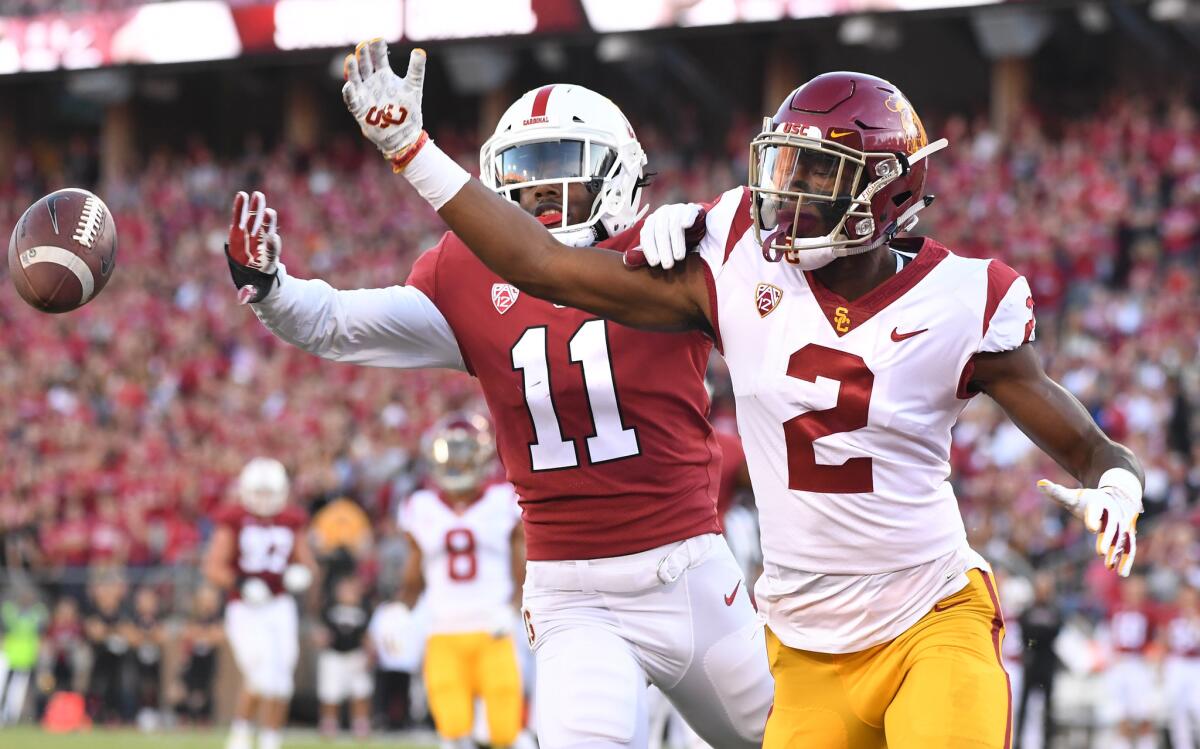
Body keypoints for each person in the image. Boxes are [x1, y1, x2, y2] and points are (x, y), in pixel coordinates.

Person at [343, 43, 1146, 748]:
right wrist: (413, 150)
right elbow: (543, 266)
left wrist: (1116, 480)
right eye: (783, 166)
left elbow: (1087, 444)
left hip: (928, 616)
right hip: (805, 650)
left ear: (888, 193)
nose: (787, 195)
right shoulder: (731, 258)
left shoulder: (965, 299)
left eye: (819, 174)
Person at [225, 78, 773, 748]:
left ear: (618, 172)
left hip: (684, 570)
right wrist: (272, 289)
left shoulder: (670, 251)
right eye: (524, 175)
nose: (539, 193)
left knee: (791, 739)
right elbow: (342, 323)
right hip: (575, 595)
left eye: (558, 171)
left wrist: (708, 228)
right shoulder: (466, 270)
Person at [396, 414, 524, 749]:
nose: (456, 464)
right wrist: (401, 611)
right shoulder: (420, 506)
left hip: (494, 627)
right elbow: (413, 572)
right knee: (452, 729)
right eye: (450, 456)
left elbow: (522, 563)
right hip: (443, 628)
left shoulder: (503, 500)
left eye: (463, 455)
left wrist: (515, 607)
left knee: (504, 731)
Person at [202, 457, 317, 749]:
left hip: (279, 605)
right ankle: (241, 735)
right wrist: (240, 582)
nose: (265, 500)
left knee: (281, 678)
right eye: (260, 492)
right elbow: (213, 566)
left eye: (270, 493)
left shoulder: (292, 520)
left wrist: (299, 574)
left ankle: (269, 739)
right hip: (245, 607)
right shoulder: (234, 518)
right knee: (260, 673)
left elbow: (310, 565)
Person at [315, 575, 373, 739]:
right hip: (334, 655)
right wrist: (321, 639)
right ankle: (329, 724)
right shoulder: (329, 607)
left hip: (356, 654)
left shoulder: (365, 608)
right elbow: (322, 630)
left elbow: (366, 634)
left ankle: (361, 725)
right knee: (330, 693)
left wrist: (370, 653)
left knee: (360, 692)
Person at [1105, 575, 1158, 749]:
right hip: (1120, 663)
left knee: (1144, 713)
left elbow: (1158, 637)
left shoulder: (1149, 611)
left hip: (1138, 662)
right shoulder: (1116, 608)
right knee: (1121, 714)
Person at [1015, 571, 1063, 749]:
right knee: (1024, 705)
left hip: (1046, 662)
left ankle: (1046, 742)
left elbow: (1054, 633)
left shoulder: (1054, 611)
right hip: (1032, 660)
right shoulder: (1028, 610)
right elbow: (1026, 635)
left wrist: (1036, 638)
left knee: (1048, 707)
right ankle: (1018, 741)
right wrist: (1036, 639)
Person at [1164, 584, 1200, 749]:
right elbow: (1165, 640)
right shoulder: (1172, 615)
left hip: (1196, 663)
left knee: (1197, 707)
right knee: (1178, 710)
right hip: (1177, 663)